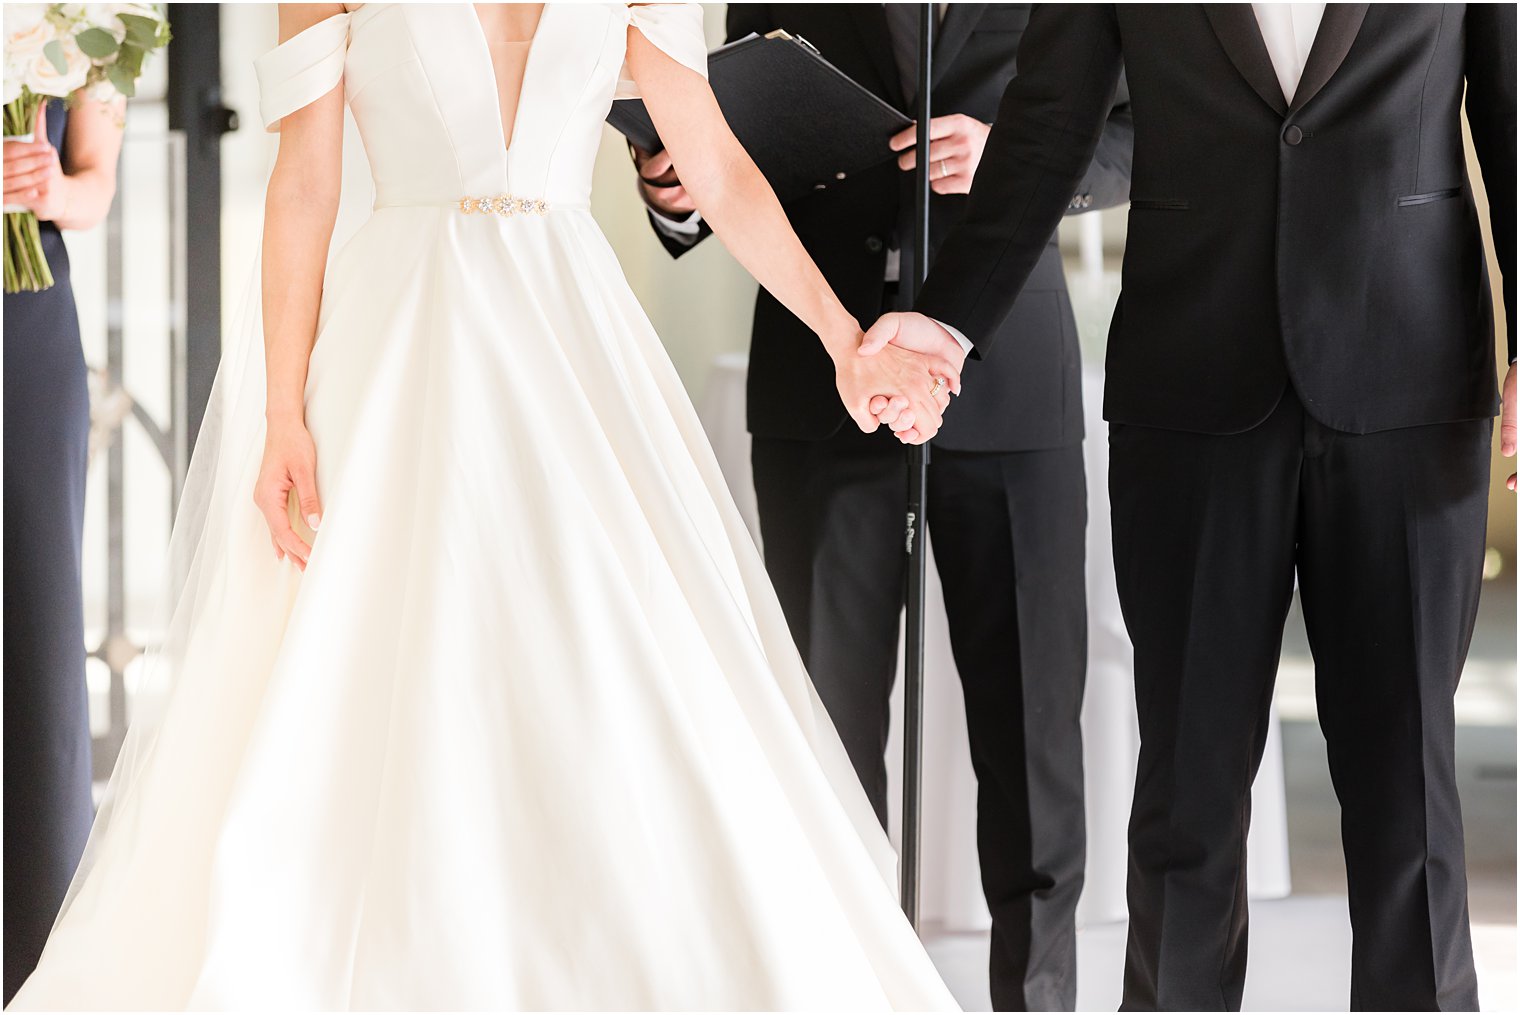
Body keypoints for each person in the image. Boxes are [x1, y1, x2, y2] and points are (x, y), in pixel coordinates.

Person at [8, 4, 963, 1009]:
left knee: (607, 653)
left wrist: (844, 336)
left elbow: (715, 167)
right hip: (402, 334)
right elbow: (305, 187)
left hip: (570, 335)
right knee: (381, 651)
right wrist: (280, 412)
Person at [866, 4, 1516, 1010]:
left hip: (1411, 381)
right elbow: (1046, 123)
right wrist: (949, 324)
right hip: (1189, 387)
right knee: (1185, 795)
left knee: (1408, 802)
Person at [635, 6, 1133, 1010]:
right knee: (824, 724)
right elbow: (728, 129)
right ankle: (845, 989)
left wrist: (1018, 160)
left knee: (1033, 729)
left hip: (1006, 369)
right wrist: (671, 190)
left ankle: (1036, 996)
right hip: (822, 370)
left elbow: (1140, 133)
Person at [3, 94, 125, 1004]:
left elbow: (96, 186)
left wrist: (53, 186)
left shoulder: (73, 24)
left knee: (37, 641)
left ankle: (34, 969)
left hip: (24, 310)